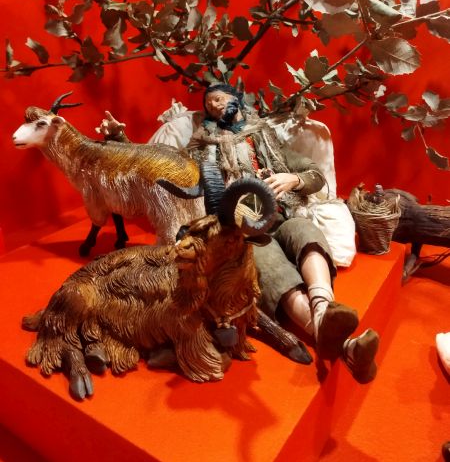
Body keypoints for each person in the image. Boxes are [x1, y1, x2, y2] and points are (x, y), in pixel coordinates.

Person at [97, 84, 380, 382]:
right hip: (241, 233)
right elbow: (159, 165)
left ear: (237, 100)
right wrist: (119, 140)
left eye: (219, 99)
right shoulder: (200, 147)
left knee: (307, 232)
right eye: (209, 104)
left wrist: (293, 179)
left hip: (282, 215)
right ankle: (338, 338)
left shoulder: (265, 137)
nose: (215, 106)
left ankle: (323, 307)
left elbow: (313, 173)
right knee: (270, 265)